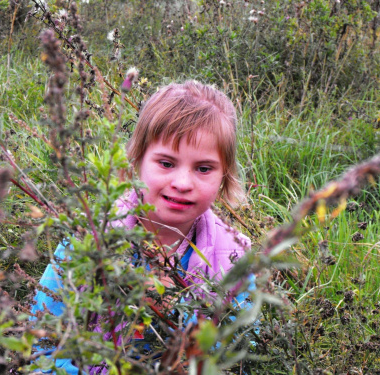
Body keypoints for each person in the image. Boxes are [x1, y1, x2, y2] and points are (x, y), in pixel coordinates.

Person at [31, 80, 251, 374]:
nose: (183, 183)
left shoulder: (234, 259)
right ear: (138, 160)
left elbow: (240, 357)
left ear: (225, 176)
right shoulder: (90, 238)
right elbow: (44, 342)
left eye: (203, 168)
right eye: (166, 163)